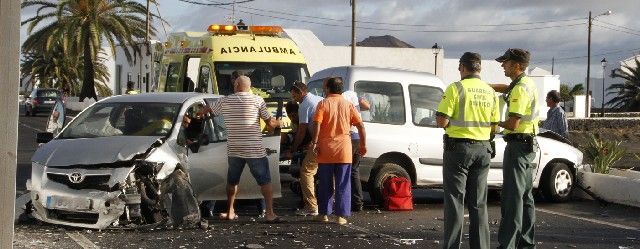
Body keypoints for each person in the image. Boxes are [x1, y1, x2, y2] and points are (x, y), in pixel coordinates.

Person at [436, 52, 500, 249]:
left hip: (458, 150)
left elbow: (442, 121)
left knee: (455, 202)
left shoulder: (455, 88)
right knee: (479, 203)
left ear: (463, 67)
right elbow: (495, 127)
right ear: (479, 68)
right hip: (483, 150)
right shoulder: (490, 92)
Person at [200, 75, 283, 222]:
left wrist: (197, 114)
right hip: (254, 149)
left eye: (234, 83)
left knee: (232, 181)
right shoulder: (258, 100)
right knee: (265, 181)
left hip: (235, 148)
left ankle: (230, 211)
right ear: (248, 86)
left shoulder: (225, 100)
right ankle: (270, 213)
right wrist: (279, 123)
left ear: (237, 85)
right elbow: (269, 123)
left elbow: (207, 110)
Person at [491, 48, 539, 249]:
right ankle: (527, 243)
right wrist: (487, 86)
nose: (503, 65)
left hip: (518, 146)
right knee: (526, 197)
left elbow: (513, 124)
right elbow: (507, 88)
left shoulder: (520, 89)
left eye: (506, 62)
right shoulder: (524, 83)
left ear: (517, 65)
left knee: (512, 198)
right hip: (527, 145)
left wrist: (494, 122)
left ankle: (508, 245)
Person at [311, 77, 366, 225]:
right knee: (343, 183)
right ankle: (341, 216)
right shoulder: (348, 105)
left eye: (324, 86)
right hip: (344, 150)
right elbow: (360, 126)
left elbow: (317, 123)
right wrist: (363, 144)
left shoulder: (323, 103)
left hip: (326, 150)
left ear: (328, 88)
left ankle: (324, 214)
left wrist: (315, 142)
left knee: (325, 183)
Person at [289, 80, 323, 216]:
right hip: (330, 141)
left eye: (294, 96)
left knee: (306, 172)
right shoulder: (319, 98)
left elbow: (301, 131)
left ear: (301, 92)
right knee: (327, 172)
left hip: (317, 142)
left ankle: (311, 206)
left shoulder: (304, 105)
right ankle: (328, 203)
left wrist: (293, 149)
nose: (294, 99)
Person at [342, 90, 365, 212]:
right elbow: (366, 105)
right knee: (354, 171)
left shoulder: (343, 97)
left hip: (350, 137)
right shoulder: (353, 94)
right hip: (357, 138)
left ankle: (345, 203)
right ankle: (357, 202)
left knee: (344, 171)